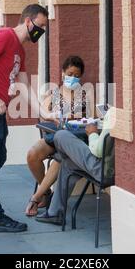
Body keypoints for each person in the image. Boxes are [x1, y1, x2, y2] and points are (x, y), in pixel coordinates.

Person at [0, 4, 50, 233]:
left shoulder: (20, 51)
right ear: (27, 21)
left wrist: (43, 112)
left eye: (44, 27)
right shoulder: (4, 35)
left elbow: (23, 84)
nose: (41, 31)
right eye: (40, 25)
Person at [25, 56, 93, 217]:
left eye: (77, 75)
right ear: (63, 73)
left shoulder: (85, 94)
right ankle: (47, 192)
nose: (73, 78)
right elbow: (43, 114)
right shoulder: (54, 93)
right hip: (54, 137)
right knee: (32, 154)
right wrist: (49, 111)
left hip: (74, 140)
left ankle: (36, 197)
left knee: (60, 156)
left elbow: (93, 119)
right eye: (70, 74)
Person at [35, 108, 114, 225]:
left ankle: (62, 155)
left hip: (104, 170)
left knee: (61, 135)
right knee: (68, 163)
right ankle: (54, 213)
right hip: (115, 170)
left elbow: (98, 150)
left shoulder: (115, 113)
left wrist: (92, 134)